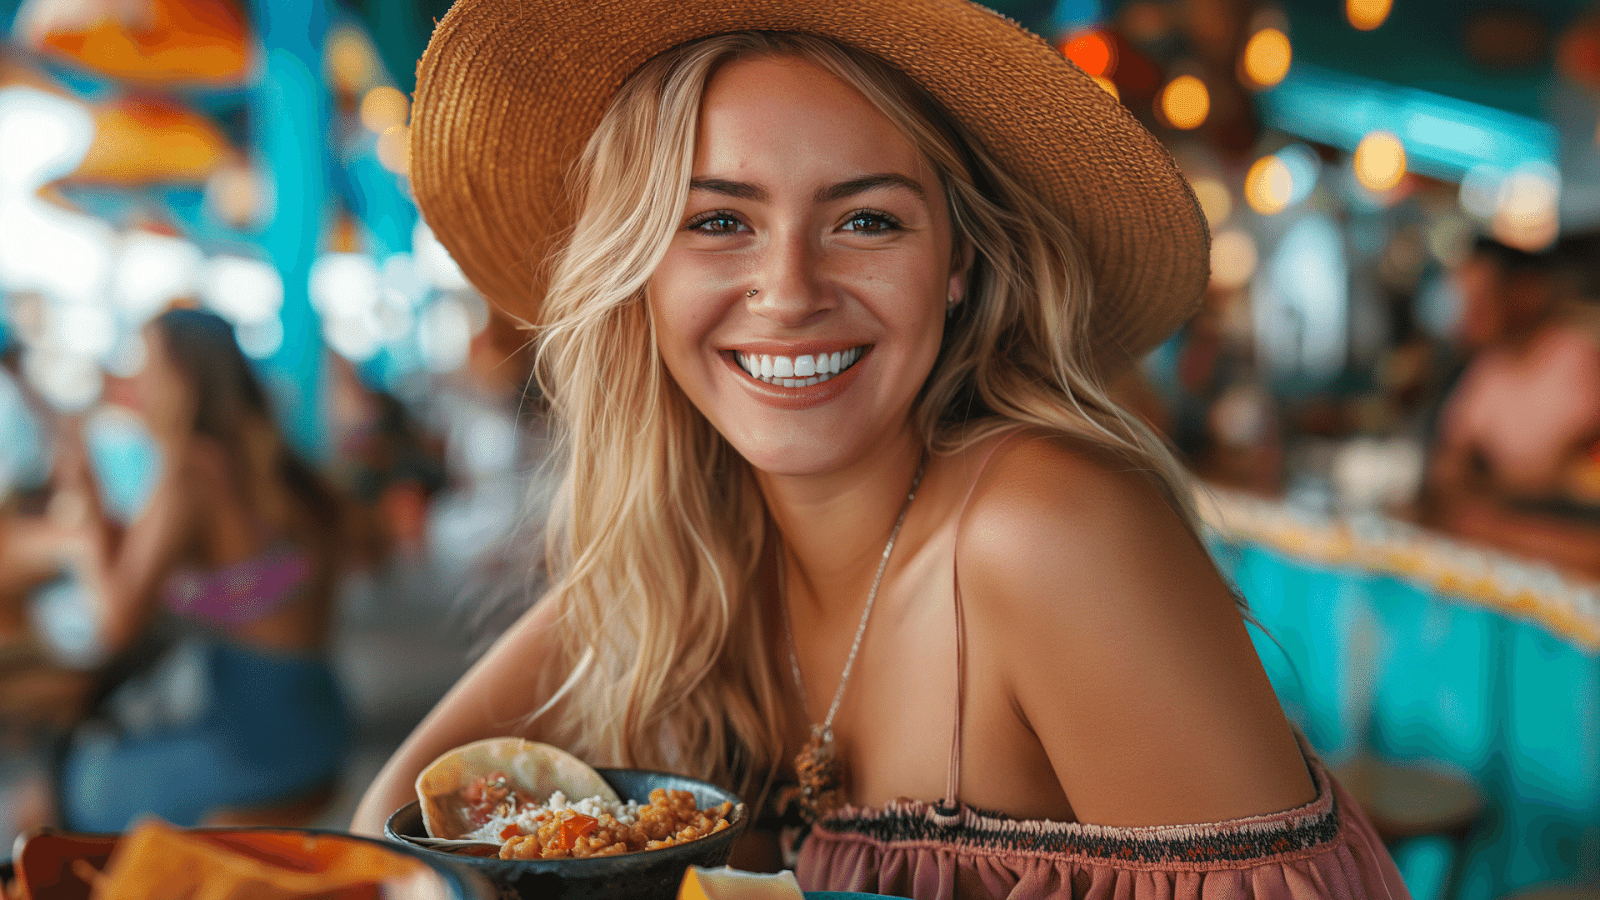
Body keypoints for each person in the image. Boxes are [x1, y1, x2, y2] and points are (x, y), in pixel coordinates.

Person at [351, 3, 1409, 897]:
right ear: (639, 273)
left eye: (865, 222)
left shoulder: (1046, 531)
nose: (789, 291)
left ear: (957, 262)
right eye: (717, 223)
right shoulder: (691, 553)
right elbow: (391, 831)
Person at [37, 307, 350, 831]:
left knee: (56, 792)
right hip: (319, 719)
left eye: (145, 364)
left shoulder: (188, 470)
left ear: (180, 378)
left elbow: (114, 623)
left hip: (261, 740)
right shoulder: (266, 466)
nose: (132, 378)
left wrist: (83, 521)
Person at [1423, 235, 1600, 577]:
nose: (1466, 316)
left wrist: (1487, 490)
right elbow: (1446, 469)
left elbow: (1559, 476)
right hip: (1519, 557)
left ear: (1526, 291)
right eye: (1464, 300)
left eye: (1480, 300)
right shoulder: (1488, 367)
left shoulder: (1576, 358)